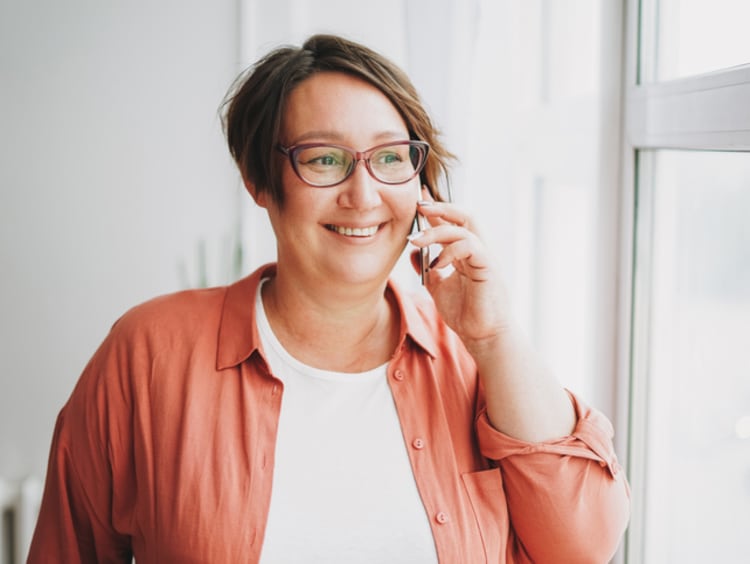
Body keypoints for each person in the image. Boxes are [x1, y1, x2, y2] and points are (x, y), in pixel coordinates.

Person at [28, 34, 630, 563]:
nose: (363, 194)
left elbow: (581, 547)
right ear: (259, 180)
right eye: (325, 160)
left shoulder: (475, 356)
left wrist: (496, 340)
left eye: (391, 158)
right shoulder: (149, 353)